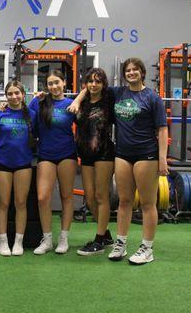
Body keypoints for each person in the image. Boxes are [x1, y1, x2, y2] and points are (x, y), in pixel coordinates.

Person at [69, 57, 168, 265]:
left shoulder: (152, 98)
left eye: (135, 70)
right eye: (128, 70)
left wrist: (162, 160)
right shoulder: (118, 93)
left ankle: (147, 247)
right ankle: (120, 243)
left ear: (142, 72)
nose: (131, 73)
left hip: (146, 154)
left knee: (148, 204)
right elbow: (93, 87)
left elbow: (162, 129)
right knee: (124, 201)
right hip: (122, 154)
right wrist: (77, 99)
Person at [29, 70, 77, 255]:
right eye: (50, 84)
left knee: (66, 196)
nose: (54, 86)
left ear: (64, 83)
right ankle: (47, 239)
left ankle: (63, 238)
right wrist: (34, 99)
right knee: (42, 197)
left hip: (67, 153)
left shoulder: (71, 104)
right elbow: (27, 118)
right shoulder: (40, 103)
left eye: (57, 82)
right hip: (46, 154)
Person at [74, 68, 116, 256]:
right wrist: (79, 96)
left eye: (98, 81)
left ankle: (99, 239)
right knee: (90, 198)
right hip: (86, 155)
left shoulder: (109, 101)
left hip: (104, 153)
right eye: (90, 81)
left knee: (101, 196)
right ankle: (106, 234)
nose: (93, 84)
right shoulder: (81, 102)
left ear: (103, 84)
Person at [0, 80, 35, 256]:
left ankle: (18, 242)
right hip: (3, 163)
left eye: (17, 93)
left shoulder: (32, 114)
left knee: (20, 203)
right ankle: (3, 242)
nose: (13, 96)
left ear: (23, 95)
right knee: (3, 203)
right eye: (10, 93)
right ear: (6, 96)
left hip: (23, 163)